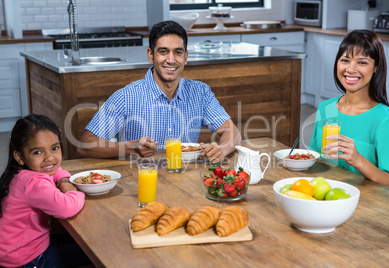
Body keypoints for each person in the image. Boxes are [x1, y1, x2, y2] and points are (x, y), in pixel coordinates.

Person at [77, 20, 241, 163]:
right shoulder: (126, 96)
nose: (171, 60)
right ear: (151, 55)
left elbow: (232, 131)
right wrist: (131, 147)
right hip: (139, 181)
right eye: (163, 52)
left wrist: (222, 149)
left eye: (178, 52)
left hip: (185, 181)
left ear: (185, 57)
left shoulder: (201, 92)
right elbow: (85, 145)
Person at [309, 29, 389, 192]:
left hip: (366, 208)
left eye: (362, 62)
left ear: (376, 68)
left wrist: (358, 160)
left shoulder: (385, 120)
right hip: (323, 201)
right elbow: (315, 161)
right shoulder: (326, 109)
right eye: (345, 60)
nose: (351, 69)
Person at [0, 114, 86, 267]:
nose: (49, 158)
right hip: (27, 258)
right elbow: (67, 207)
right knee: (87, 249)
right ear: (20, 156)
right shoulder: (34, 183)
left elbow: (56, 169)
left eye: (54, 148)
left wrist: (62, 178)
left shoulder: (19, 172)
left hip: (12, 250)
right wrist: (77, 191)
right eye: (38, 152)